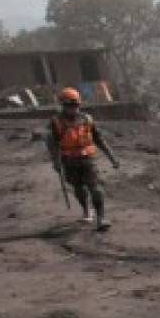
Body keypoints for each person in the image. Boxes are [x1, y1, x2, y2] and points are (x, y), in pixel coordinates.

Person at [46, 87, 119, 231]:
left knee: (95, 188)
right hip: (69, 161)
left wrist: (112, 157)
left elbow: (99, 139)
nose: (73, 109)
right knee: (78, 189)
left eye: (75, 105)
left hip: (87, 159)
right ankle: (86, 209)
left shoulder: (87, 119)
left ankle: (101, 218)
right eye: (69, 106)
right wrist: (56, 162)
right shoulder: (56, 122)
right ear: (63, 105)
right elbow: (52, 144)